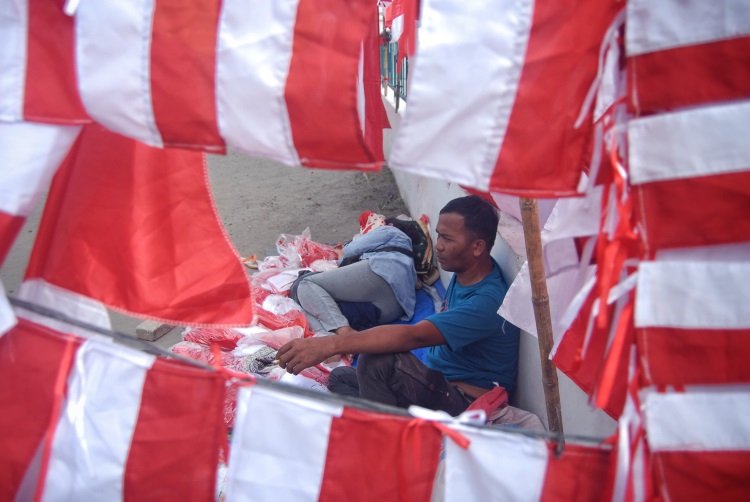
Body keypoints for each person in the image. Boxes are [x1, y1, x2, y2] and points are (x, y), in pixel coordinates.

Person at [278, 195, 519, 416]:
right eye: (438, 235)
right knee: (341, 378)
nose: (439, 246)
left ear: (477, 247)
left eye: (448, 238)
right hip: (438, 383)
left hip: (466, 401)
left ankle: (389, 440)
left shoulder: (487, 301)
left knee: (377, 362)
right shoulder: (467, 270)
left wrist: (329, 344)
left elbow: (413, 336)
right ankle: (393, 421)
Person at [292, 218, 419, 336]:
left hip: (381, 275)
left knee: (305, 284)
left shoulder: (391, 230)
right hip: (390, 312)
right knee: (311, 306)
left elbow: (352, 249)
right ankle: (332, 339)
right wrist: (342, 258)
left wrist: (342, 252)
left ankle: (342, 332)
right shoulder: (409, 264)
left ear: (390, 224)